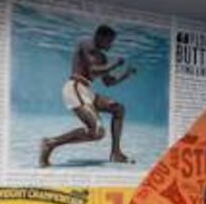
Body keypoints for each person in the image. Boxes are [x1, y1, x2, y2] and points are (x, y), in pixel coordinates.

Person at [40, 24, 137, 167]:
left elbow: (108, 82)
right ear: (99, 37)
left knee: (118, 109)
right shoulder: (86, 45)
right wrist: (114, 64)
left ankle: (115, 153)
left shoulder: (103, 57)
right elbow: (93, 70)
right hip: (75, 88)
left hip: (86, 91)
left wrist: (125, 75)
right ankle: (50, 143)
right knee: (97, 131)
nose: (111, 45)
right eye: (109, 41)